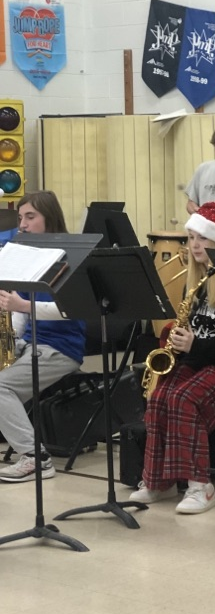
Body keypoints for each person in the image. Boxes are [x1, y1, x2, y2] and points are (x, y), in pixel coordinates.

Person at [133, 200, 215, 513]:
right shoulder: (200, 281)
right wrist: (177, 342)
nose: (194, 245)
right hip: (201, 361)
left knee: (184, 399)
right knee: (160, 396)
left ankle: (200, 486)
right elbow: (197, 336)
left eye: (201, 238)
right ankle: (158, 481)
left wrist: (196, 346)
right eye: (191, 238)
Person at [0, 191, 87, 482]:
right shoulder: (27, 253)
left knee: (0, 389)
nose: (22, 224)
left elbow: (70, 310)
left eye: (30, 217)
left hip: (61, 348)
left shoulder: (68, 257)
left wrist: (21, 306)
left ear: (48, 219)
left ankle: (34, 458)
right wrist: (7, 346)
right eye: (21, 217)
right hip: (33, 344)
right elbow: (20, 316)